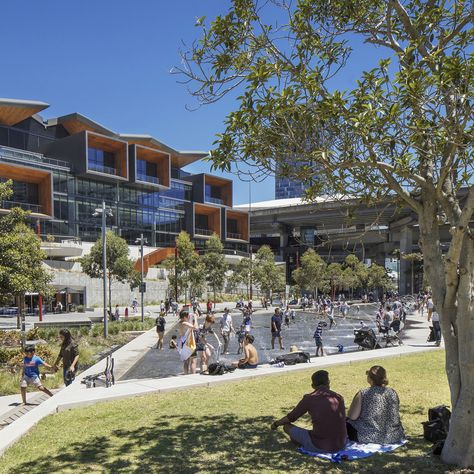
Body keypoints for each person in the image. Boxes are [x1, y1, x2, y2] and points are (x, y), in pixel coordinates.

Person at [271, 370, 347, 453]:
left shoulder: (309, 399)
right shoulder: (339, 397)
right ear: (328, 383)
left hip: (319, 445)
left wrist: (276, 424)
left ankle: (303, 442)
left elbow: (290, 417)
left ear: (313, 386)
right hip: (341, 444)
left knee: (286, 427)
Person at [347, 366, 405, 444]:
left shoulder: (363, 393)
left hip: (369, 436)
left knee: (345, 423)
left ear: (370, 379)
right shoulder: (392, 392)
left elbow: (352, 416)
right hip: (394, 435)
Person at [178, 310, 198, 374]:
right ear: (184, 317)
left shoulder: (180, 322)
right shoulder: (184, 323)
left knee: (186, 361)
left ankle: (186, 375)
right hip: (188, 343)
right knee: (193, 360)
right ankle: (192, 376)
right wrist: (195, 318)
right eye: (188, 317)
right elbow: (195, 328)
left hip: (183, 343)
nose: (189, 318)